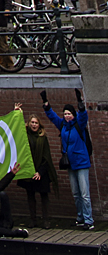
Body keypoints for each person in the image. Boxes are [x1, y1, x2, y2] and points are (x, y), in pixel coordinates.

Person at [42, 87, 94, 229]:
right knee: (76, 194)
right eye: (65, 114)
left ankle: (89, 221)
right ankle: (80, 218)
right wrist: (46, 105)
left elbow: (83, 116)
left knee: (84, 194)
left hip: (82, 163)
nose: (67, 116)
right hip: (70, 163)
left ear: (73, 114)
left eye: (69, 113)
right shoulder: (63, 126)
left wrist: (80, 104)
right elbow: (52, 117)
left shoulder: (79, 125)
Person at [18, 109, 57, 228]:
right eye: (32, 122)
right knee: (30, 196)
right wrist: (18, 113)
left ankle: (46, 220)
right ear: (28, 123)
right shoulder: (24, 136)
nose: (34, 125)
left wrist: (40, 172)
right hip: (29, 170)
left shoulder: (42, 138)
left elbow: (47, 157)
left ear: (39, 124)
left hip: (41, 171)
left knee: (44, 196)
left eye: (36, 123)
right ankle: (33, 219)